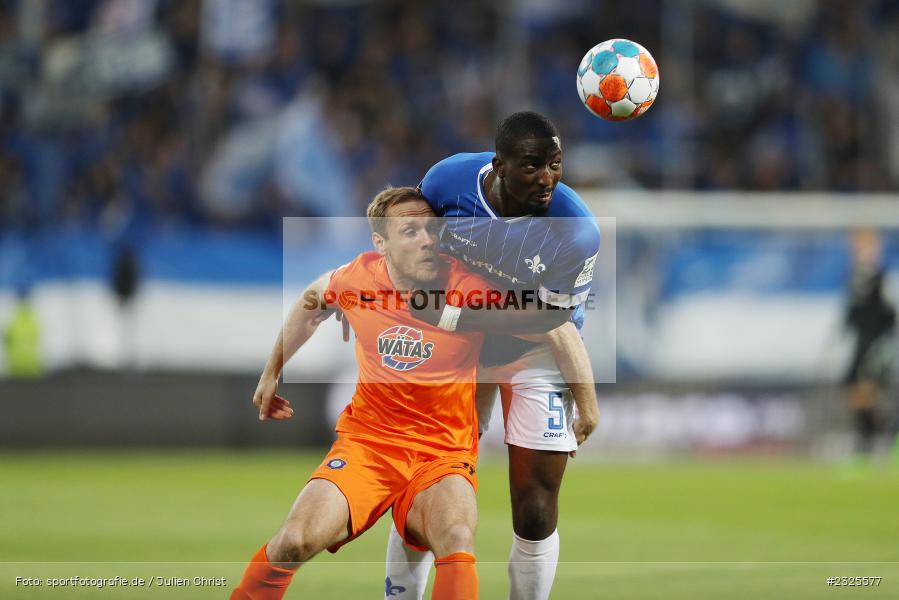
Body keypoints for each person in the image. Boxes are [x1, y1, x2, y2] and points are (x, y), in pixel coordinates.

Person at [231, 187, 496, 600]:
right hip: (368, 446)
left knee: (457, 536)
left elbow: (531, 330)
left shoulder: (469, 286)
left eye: (431, 229)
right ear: (381, 242)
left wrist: (489, 411)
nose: (427, 239)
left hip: (441, 452)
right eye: (410, 231)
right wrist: (272, 373)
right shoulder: (358, 277)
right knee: (294, 540)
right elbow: (311, 301)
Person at [384, 112, 601, 600]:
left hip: (534, 351)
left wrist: (458, 317)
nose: (546, 179)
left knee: (535, 508)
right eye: (532, 166)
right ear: (498, 165)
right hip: (459, 352)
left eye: (555, 165)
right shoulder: (447, 180)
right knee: (423, 489)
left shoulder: (577, 231)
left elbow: (547, 318)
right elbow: (412, 241)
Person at [843, 229, 896, 458]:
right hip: (860, 341)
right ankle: (871, 437)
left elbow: (890, 311)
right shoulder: (854, 275)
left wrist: (886, 341)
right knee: (855, 388)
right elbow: (852, 311)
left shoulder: (881, 277)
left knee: (872, 387)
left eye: (864, 245)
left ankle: (875, 440)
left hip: (876, 341)